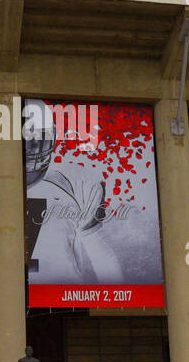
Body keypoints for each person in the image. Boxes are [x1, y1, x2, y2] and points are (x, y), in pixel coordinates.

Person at [22, 99, 122, 284]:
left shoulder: (74, 183)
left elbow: (99, 253)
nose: (31, 146)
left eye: (38, 137)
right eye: (25, 139)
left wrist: (120, 298)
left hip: (64, 300)